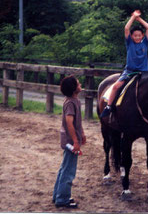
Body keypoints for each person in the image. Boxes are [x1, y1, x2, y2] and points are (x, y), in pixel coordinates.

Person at [100, 10, 148, 118]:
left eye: (139, 35)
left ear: (142, 36)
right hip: (130, 71)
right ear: (132, 37)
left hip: (144, 73)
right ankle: (109, 106)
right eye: (135, 36)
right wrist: (133, 17)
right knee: (116, 87)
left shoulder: (145, 43)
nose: (137, 37)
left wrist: (139, 19)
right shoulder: (129, 43)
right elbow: (126, 28)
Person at [53, 75, 86, 208]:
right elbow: (69, 122)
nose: (80, 84)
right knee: (69, 170)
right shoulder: (70, 103)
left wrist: (82, 133)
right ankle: (62, 199)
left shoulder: (75, 100)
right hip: (70, 141)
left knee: (64, 168)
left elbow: (77, 122)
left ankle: (58, 195)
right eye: (78, 83)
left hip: (72, 139)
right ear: (74, 89)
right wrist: (75, 142)